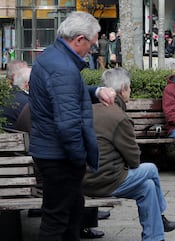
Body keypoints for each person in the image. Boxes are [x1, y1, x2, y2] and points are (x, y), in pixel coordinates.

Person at [28, 11, 116, 241]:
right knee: (57, 221)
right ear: (79, 40)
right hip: (59, 157)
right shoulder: (64, 69)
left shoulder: (51, 58)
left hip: (50, 151)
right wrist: (79, 159)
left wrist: (96, 91)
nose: (93, 50)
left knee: (72, 213)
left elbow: (64, 94)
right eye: (92, 44)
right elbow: (68, 125)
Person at [83, 68, 175, 241]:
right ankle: (162, 214)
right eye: (130, 87)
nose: (131, 91)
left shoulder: (90, 109)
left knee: (147, 187)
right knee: (150, 169)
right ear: (123, 88)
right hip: (105, 181)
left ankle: (155, 238)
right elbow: (134, 160)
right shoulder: (118, 116)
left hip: (85, 177)